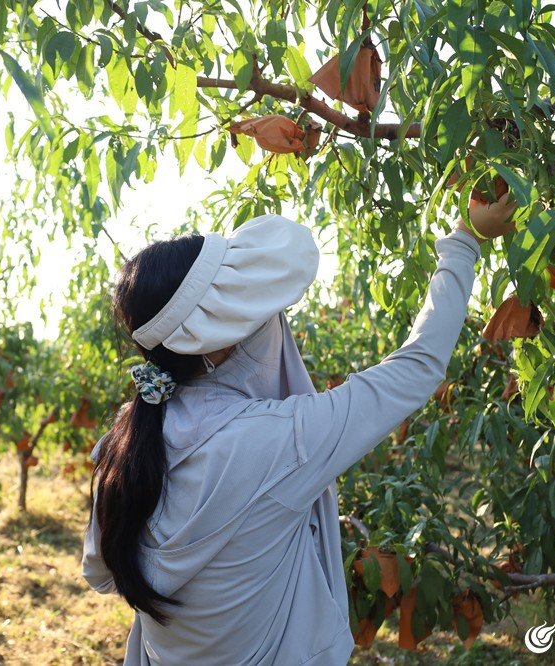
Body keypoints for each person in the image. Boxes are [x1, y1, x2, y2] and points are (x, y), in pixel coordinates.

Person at [83, 194, 516, 665]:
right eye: (260, 316)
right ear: (220, 347)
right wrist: (466, 240)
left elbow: (101, 573)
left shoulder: (121, 445)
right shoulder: (273, 442)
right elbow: (417, 367)